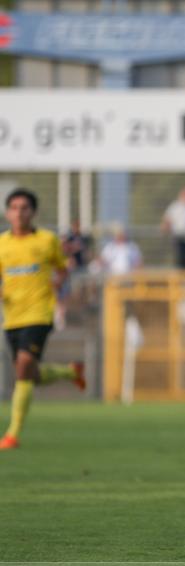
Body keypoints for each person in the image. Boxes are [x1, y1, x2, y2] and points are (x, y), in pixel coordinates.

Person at [0, 189, 86, 451]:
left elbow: (62, 267)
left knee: (24, 367)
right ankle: (70, 372)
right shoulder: (2, 243)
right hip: (12, 316)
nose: (19, 212)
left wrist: (57, 290)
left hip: (39, 313)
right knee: (27, 373)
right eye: (14, 207)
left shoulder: (47, 240)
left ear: (33, 212)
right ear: (7, 212)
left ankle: (12, 434)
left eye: (24, 207)